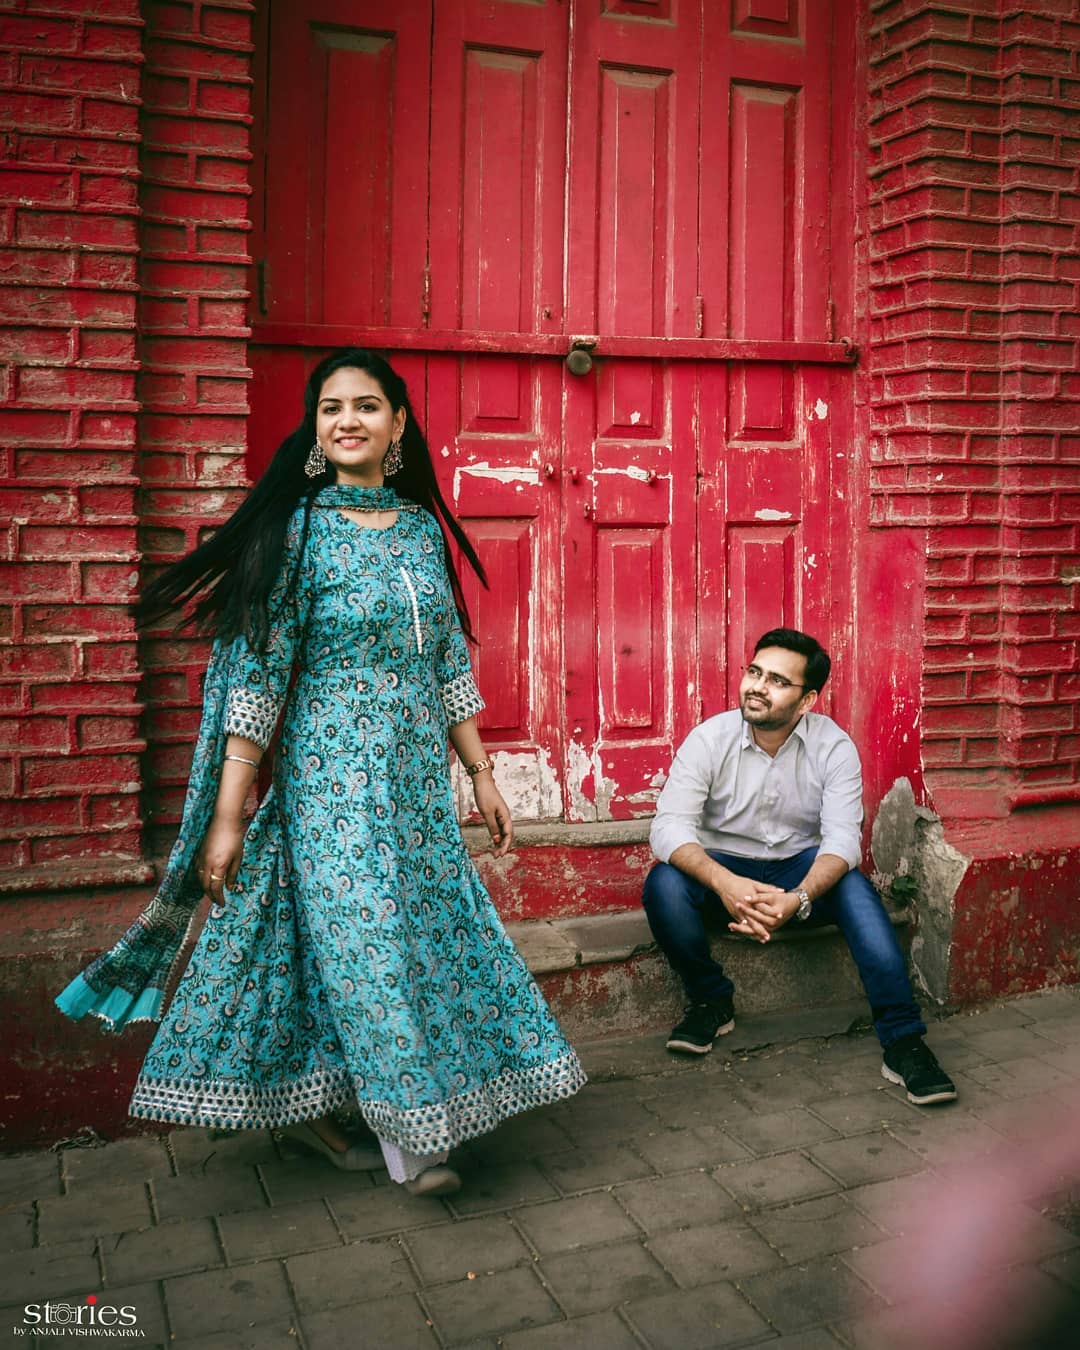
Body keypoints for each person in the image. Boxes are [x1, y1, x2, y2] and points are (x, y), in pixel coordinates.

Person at [56, 348, 586, 1194]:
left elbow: (447, 661)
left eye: (366, 405)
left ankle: (317, 1116)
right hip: (331, 793)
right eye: (331, 407)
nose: (348, 420)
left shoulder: (420, 530)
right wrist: (227, 818)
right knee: (374, 949)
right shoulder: (296, 533)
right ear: (314, 428)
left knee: (400, 946)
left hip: (414, 794)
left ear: (398, 424)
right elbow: (258, 684)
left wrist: (481, 773)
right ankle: (415, 1145)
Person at [642, 627, 956, 1107]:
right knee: (664, 885)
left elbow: (842, 841)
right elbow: (667, 828)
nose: (757, 687)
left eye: (777, 681)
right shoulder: (709, 739)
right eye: (755, 672)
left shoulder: (833, 747)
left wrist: (799, 897)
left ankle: (904, 1041)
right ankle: (711, 1000)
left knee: (855, 891)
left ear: (807, 700)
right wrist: (725, 883)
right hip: (725, 874)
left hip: (800, 874)